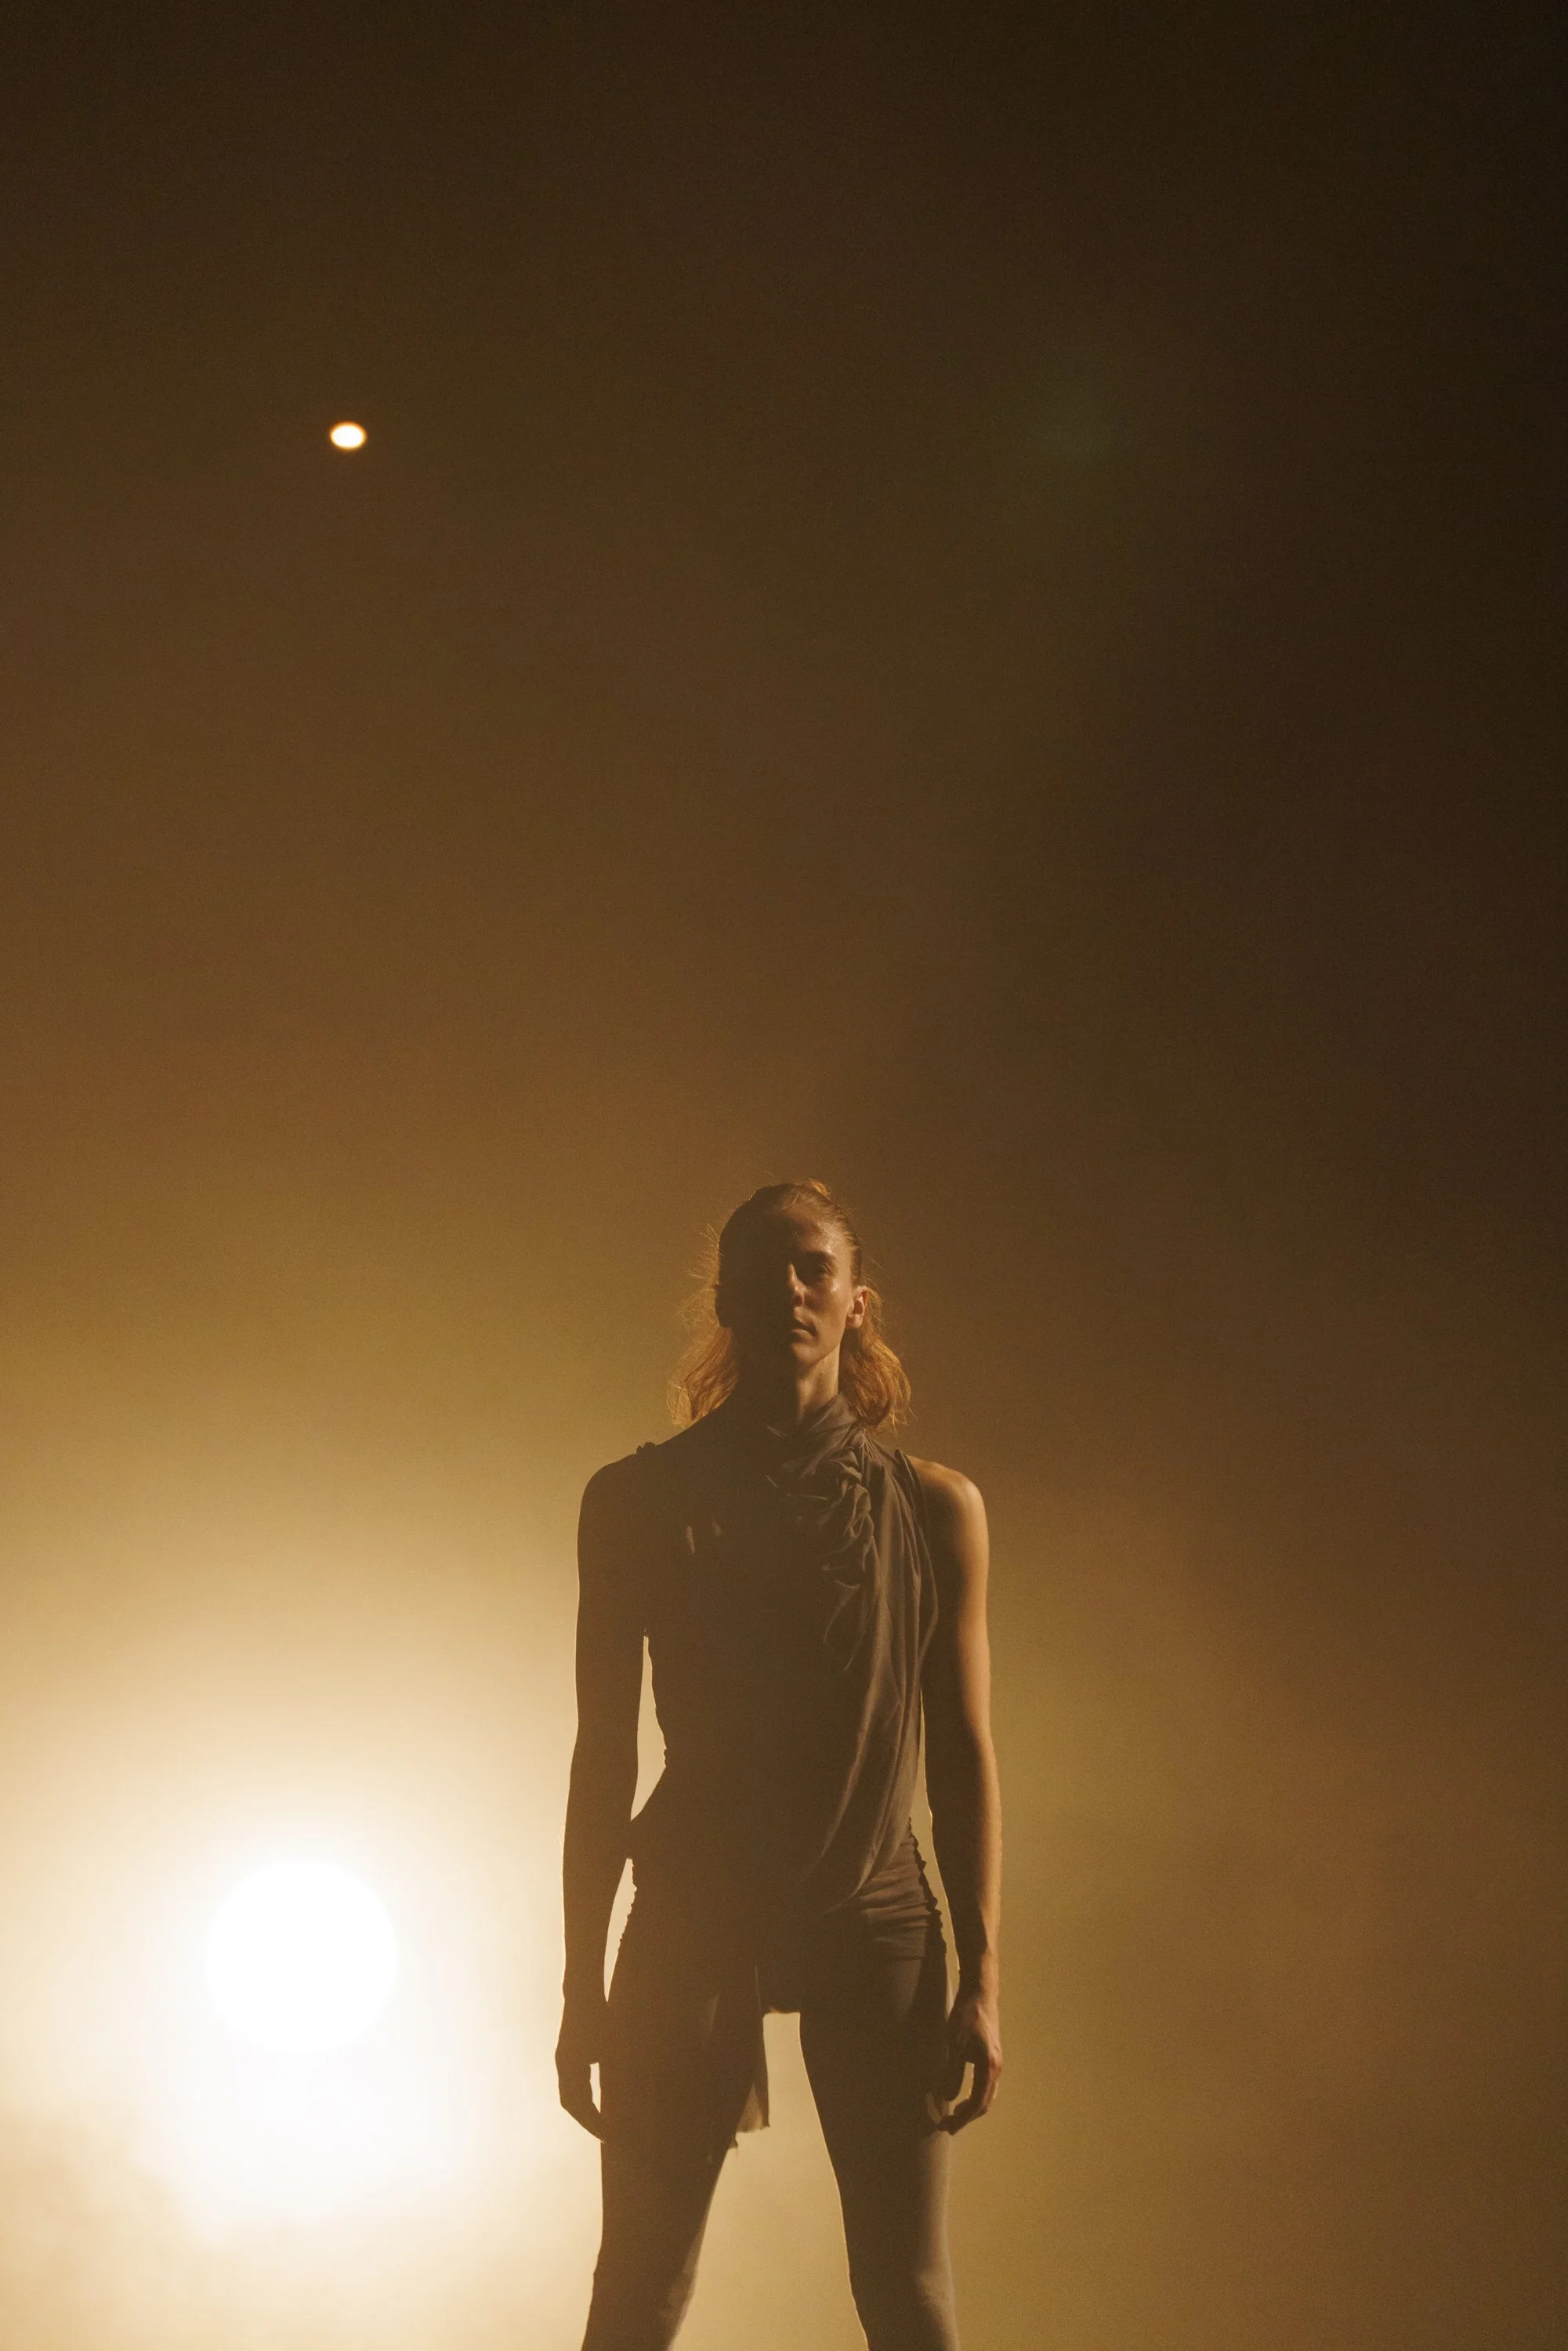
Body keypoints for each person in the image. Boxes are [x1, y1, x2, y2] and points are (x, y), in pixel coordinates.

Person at [556, 1179, 1001, 2351]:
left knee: (908, 2296)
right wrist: (580, 1985)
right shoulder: (639, 1501)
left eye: (815, 1268)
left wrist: (986, 1974)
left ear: (857, 1302)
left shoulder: (934, 1509)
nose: (793, 1289)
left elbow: (961, 1752)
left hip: (877, 1907)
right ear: (726, 1298)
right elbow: (602, 1753)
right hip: (697, 1906)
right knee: (636, 2296)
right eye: (767, 1268)